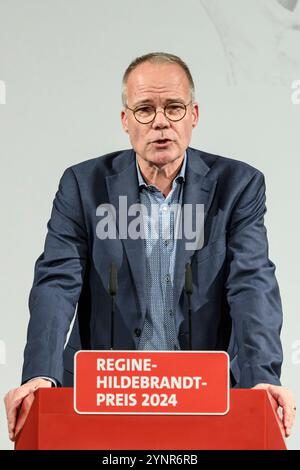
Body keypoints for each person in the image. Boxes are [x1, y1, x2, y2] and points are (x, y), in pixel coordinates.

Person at [4, 52, 296, 442]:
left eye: (173, 107)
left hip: (207, 399)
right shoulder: (82, 185)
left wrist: (261, 377)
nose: (160, 121)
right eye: (144, 109)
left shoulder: (238, 185)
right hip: (103, 400)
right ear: (125, 121)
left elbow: (252, 284)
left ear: (194, 115)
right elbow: (57, 283)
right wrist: (40, 374)